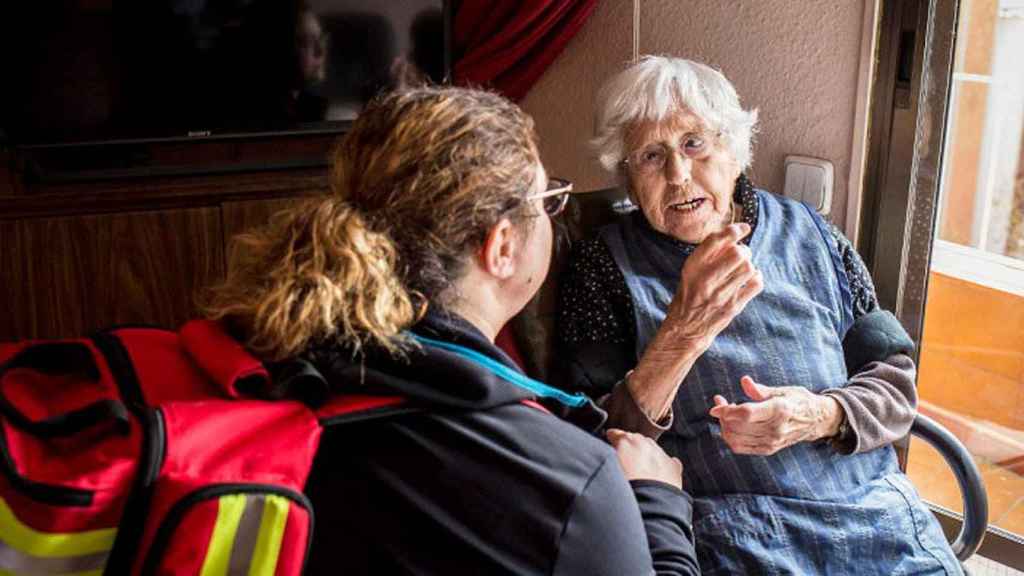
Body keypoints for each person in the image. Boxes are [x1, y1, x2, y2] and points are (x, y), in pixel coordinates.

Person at [201, 86, 700, 575]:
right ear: (502, 247)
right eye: (549, 200)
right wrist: (659, 504)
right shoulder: (572, 481)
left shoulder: (268, 351)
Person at [557, 56, 963, 574]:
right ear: (628, 174)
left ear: (733, 149)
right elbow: (594, 439)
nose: (679, 175)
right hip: (733, 538)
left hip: (873, 522)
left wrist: (820, 415)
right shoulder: (602, 267)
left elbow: (896, 391)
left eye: (693, 144)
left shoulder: (812, 233)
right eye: (651, 156)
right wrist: (683, 332)